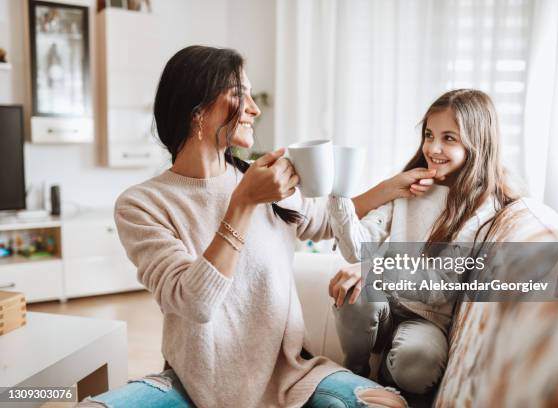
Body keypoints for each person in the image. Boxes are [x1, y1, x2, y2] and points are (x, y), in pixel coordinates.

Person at [93, 46, 426, 408]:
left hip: (291, 375)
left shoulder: (260, 180)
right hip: (194, 384)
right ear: (198, 111)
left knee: (385, 406)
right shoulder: (142, 204)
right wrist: (244, 203)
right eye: (240, 95)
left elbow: (322, 220)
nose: (255, 108)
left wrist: (395, 185)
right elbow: (195, 304)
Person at [327, 89, 521, 395]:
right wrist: (337, 192)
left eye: (449, 138)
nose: (433, 148)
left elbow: (440, 285)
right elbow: (356, 250)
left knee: (418, 364)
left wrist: (373, 270)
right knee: (357, 295)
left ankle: (387, 382)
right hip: (385, 302)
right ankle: (356, 373)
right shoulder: (412, 184)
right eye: (429, 135)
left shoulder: (484, 208)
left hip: (428, 318)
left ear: (478, 142)